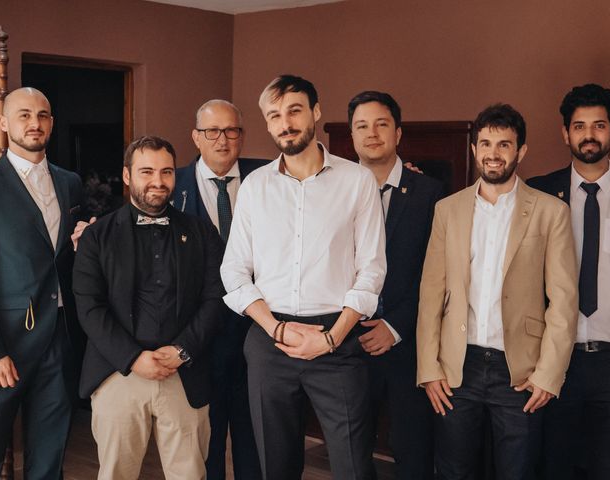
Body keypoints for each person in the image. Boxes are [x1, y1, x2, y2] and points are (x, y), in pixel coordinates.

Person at [220, 75, 386, 480]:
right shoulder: (255, 187)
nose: (285, 123)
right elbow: (234, 271)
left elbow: (372, 270)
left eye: (294, 110)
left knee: (353, 467)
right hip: (268, 339)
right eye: (274, 115)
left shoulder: (357, 181)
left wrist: (330, 337)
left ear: (315, 112)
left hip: (338, 340)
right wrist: (276, 330)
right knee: (275, 466)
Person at [417, 103, 578, 479]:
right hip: (458, 367)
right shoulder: (448, 210)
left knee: (517, 472)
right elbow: (430, 295)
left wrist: (548, 375)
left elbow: (564, 300)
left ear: (520, 151)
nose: (493, 153)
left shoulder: (550, 212)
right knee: (454, 471)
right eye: (486, 143)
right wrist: (428, 367)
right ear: (474, 149)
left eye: (504, 145)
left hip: (520, 371)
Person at [73, 135, 225, 480]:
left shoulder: (201, 232)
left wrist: (183, 350)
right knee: (116, 475)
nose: (158, 181)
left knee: (190, 474)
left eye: (166, 172)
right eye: (146, 172)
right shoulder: (97, 237)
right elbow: (89, 308)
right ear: (127, 176)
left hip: (184, 373)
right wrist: (132, 358)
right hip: (118, 373)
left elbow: (216, 298)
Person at [527, 83, 610, 479]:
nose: (589, 134)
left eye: (599, 125)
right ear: (565, 133)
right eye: (579, 126)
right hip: (556, 359)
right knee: (553, 463)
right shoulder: (537, 193)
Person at [348, 90, 442, 479]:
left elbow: (437, 274)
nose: (372, 134)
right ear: (352, 136)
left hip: (409, 346)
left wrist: (395, 326)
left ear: (398, 133)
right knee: (351, 453)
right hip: (347, 342)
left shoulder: (432, 194)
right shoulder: (332, 191)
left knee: (413, 452)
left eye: (381, 124)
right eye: (362, 126)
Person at [172, 99, 265, 480]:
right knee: (204, 436)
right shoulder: (171, 183)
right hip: (198, 334)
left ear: (242, 136)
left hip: (258, 329)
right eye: (212, 131)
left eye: (232, 131)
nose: (222, 140)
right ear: (196, 136)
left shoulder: (268, 176)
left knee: (254, 434)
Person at [0, 87, 83, 479]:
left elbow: (63, 257)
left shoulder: (70, 183)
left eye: (43, 115)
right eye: (24, 114)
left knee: (49, 452)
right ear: (3, 122)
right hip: (6, 344)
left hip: (60, 335)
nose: (35, 123)